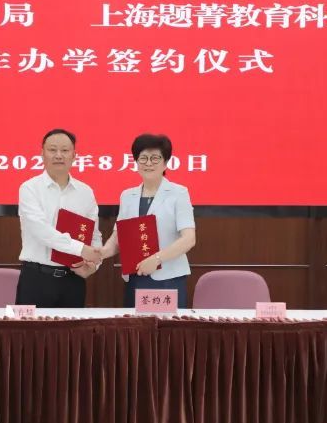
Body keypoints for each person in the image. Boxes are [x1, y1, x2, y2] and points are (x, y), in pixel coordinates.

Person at [101, 134, 196, 308]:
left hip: (168, 278)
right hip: (135, 277)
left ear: (165, 163)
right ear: (136, 163)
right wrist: (101, 252)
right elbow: (118, 237)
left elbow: (189, 239)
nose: (149, 163)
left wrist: (157, 259)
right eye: (143, 158)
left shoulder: (179, 193)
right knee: (136, 326)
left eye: (155, 158)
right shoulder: (127, 195)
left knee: (164, 326)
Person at [16, 128, 104, 308]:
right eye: (52, 150)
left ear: (74, 155)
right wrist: (81, 249)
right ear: (42, 154)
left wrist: (94, 265)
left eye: (64, 150)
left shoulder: (85, 192)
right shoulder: (29, 188)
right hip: (36, 279)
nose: (58, 155)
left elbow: (94, 235)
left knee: (72, 328)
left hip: (73, 280)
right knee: (28, 327)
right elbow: (41, 231)